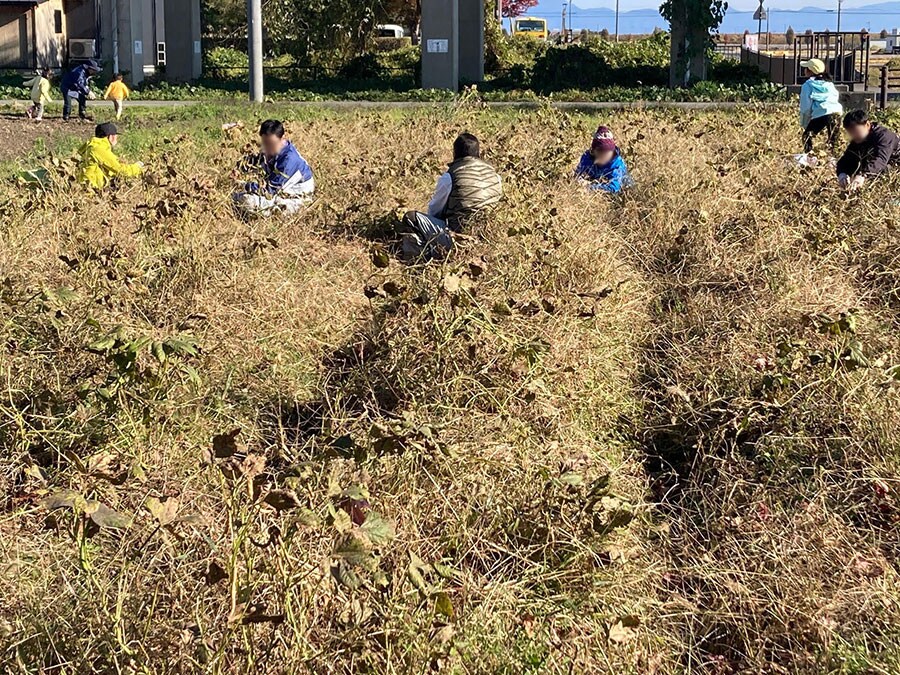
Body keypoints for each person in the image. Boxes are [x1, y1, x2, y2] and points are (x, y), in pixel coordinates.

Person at [399, 132, 503, 261]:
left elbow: (435, 212)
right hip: (487, 238)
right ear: (478, 153)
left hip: (459, 238)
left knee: (411, 218)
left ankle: (420, 258)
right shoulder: (495, 176)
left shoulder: (451, 176)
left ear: (455, 154)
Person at [234, 119, 315, 216]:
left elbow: (269, 191)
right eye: (265, 143)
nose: (267, 148)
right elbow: (251, 163)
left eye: (272, 144)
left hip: (295, 199)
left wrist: (243, 185)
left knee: (247, 201)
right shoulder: (275, 150)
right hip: (280, 192)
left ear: (283, 138)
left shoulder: (289, 161)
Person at [835, 109, 900, 192]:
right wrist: (842, 174)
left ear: (867, 125)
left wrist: (863, 175)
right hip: (877, 171)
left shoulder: (884, 136)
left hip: (895, 168)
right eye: (851, 133)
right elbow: (846, 159)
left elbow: (881, 159)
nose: (854, 136)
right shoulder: (858, 140)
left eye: (856, 132)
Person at [77, 122, 144, 189]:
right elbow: (120, 170)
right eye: (115, 135)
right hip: (92, 190)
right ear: (111, 137)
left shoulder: (95, 146)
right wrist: (138, 168)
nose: (117, 138)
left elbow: (114, 163)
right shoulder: (99, 149)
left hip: (89, 188)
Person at [798, 58, 843, 154]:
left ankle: (809, 157)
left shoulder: (808, 85)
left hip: (822, 112)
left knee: (807, 136)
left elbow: (805, 107)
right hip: (836, 112)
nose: (804, 70)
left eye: (806, 68)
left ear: (810, 71)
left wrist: (805, 123)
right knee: (834, 141)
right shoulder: (829, 83)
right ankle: (834, 160)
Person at [574, 125, 633, 193]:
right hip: (597, 182)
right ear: (594, 151)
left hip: (621, 190)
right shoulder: (587, 158)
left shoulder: (616, 164)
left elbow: (614, 187)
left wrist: (589, 187)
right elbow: (578, 175)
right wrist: (579, 181)